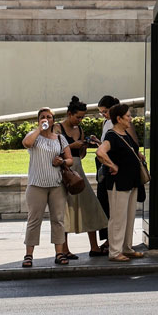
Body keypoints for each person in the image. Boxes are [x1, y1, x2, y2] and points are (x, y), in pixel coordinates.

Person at [55, 96, 108, 259]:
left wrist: (84, 146)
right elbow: (53, 150)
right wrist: (72, 145)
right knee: (65, 210)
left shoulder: (80, 129)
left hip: (78, 171)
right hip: (64, 172)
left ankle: (94, 247)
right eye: (78, 117)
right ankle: (64, 249)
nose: (80, 120)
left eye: (82, 117)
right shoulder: (58, 128)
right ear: (69, 114)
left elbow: (81, 155)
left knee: (90, 206)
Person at [21, 107, 74, 267]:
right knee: (34, 220)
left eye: (49, 117)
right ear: (38, 120)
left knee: (58, 220)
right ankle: (28, 255)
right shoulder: (34, 136)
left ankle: (59, 253)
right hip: (37, 185)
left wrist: (62, 161)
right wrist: (39, 129)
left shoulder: (60, 139)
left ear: (53, 121)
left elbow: (70, 159)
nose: (46, 119)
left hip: (57, 185)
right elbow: (26, 143)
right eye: (42, 117)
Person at [94, 104, 146, 262]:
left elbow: (130, 149)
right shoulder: (111, 135)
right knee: (118, 218)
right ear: (119, 118)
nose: (130, 118)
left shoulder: (125, 133)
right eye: (128, 116)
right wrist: (112, 165)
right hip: (119, 183)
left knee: (129, 217)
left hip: (131, 181)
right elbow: (100, 152)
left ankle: (126, 248)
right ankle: (115, 252)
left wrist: (138, 155)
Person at [94, 94, 121, 254]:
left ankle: (112, 240)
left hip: (112, 167)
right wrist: (98, 143)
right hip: (104, 167)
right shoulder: (106, 123)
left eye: (105, 111)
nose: (103, 115)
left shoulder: (118, 122)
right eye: (101, 112)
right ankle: (108, 238)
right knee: (104, 203)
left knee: (112, 206)